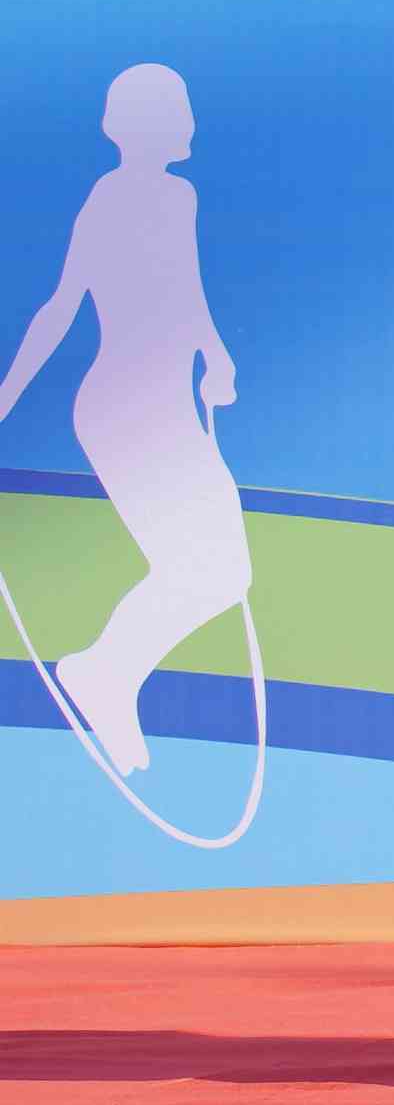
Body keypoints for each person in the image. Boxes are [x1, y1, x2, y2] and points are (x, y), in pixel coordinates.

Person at [0, 67, 250, 785]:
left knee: (225, 572)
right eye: (179, 110)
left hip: (168, 408)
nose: (190, 122)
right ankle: (103, 674)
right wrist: (6, 399)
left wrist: (216, 357)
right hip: (127, 412)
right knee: (204, 570)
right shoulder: (111, 199)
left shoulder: (179, 196)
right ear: (143, 123)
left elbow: (186, 292)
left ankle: (107, 671)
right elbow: (61, 305)